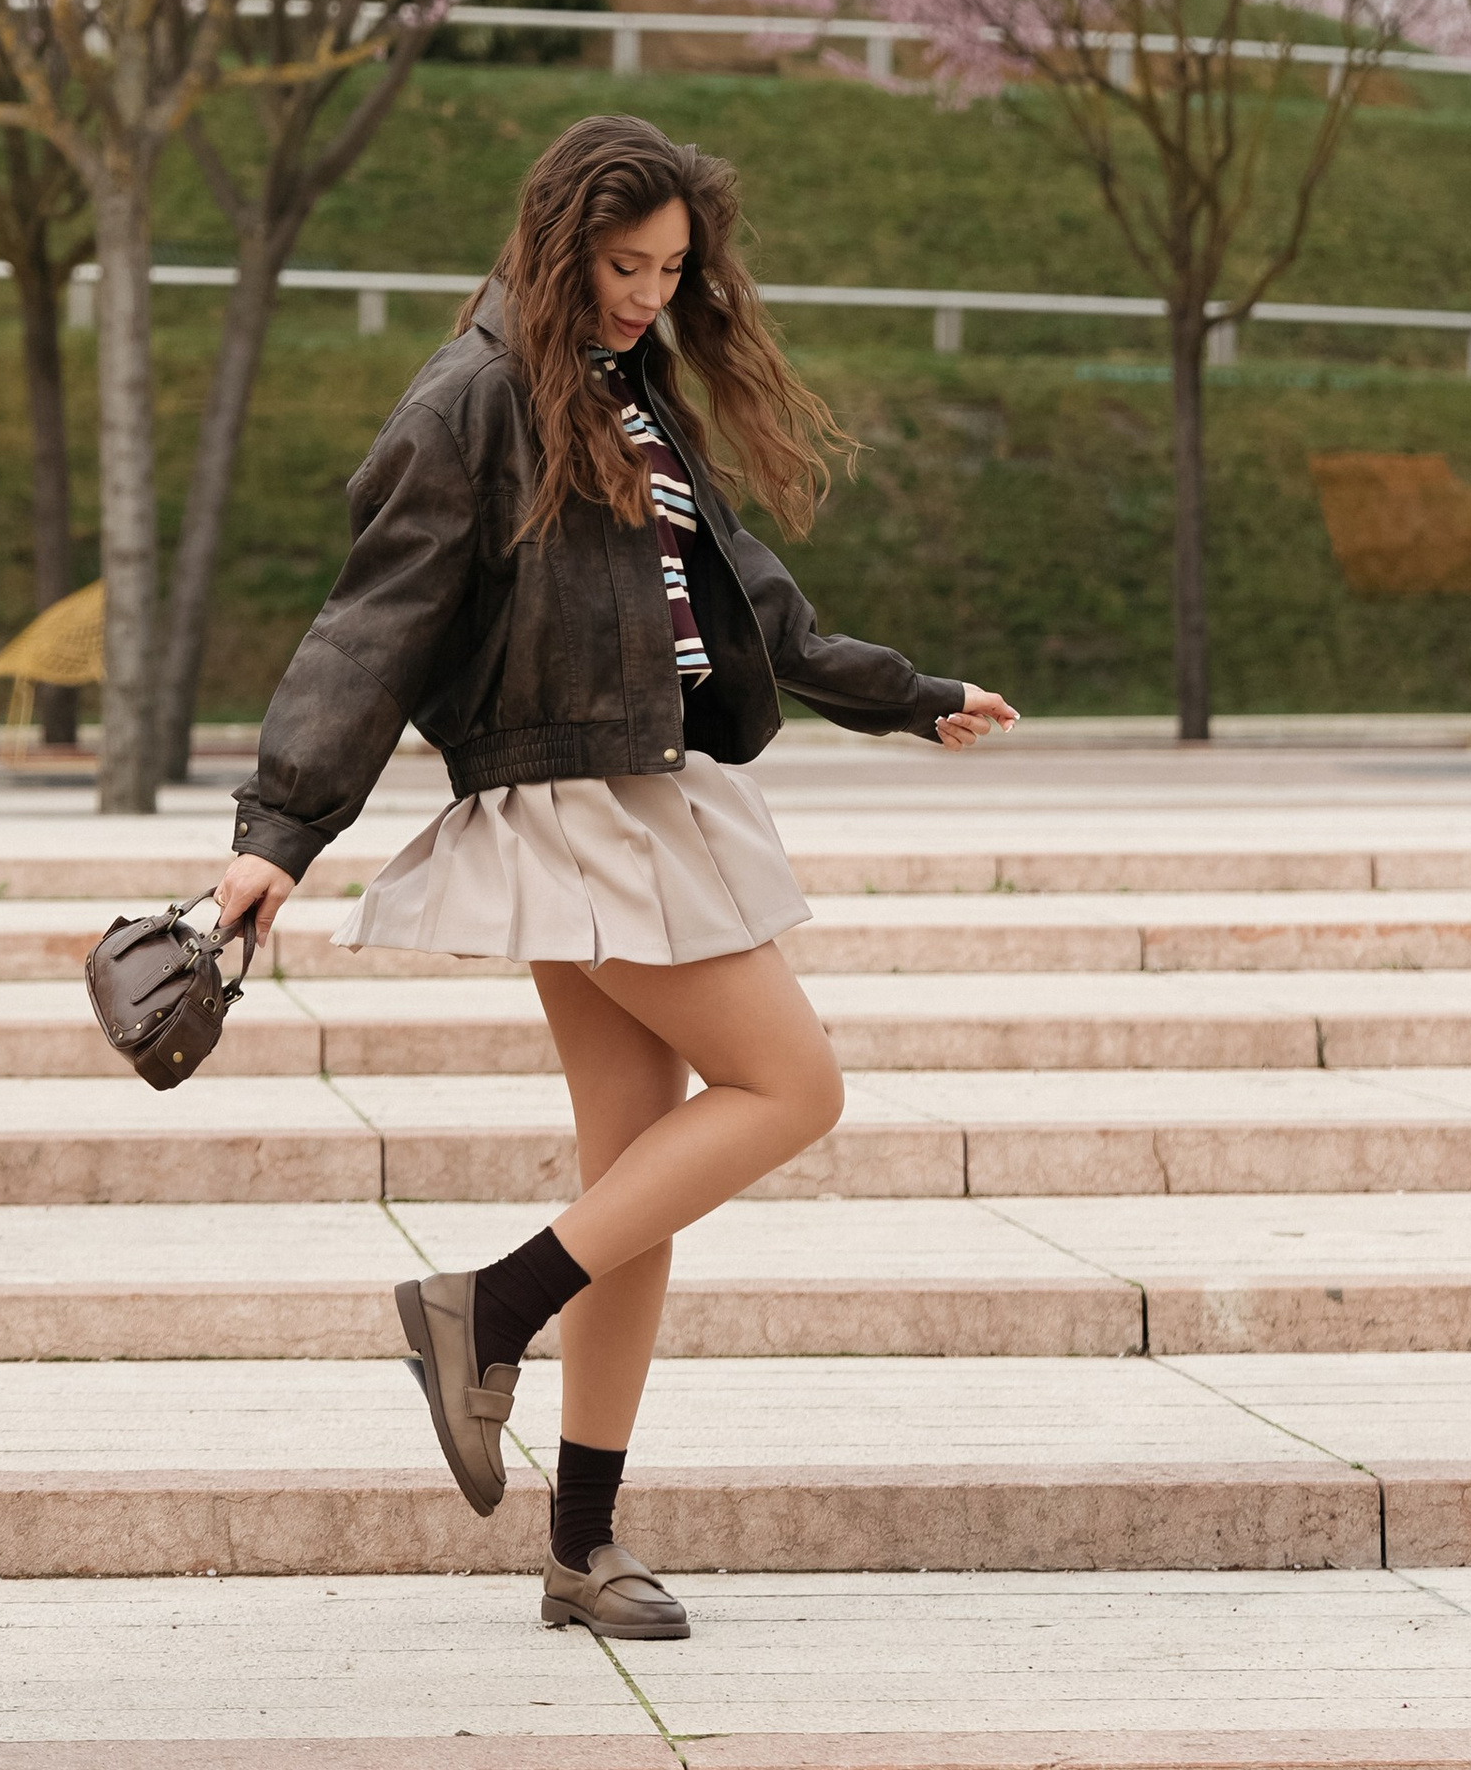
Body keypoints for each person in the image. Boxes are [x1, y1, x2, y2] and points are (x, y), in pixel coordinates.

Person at [217, 109, 1017, 1643]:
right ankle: (483, 1309)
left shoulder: (628, 392)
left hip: (654, 790)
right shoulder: (470, 398)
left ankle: (582, 1546)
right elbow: (368, 625)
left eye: (669, 269)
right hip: (576, 805)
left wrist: (907, 693)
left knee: (636, 1180)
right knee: (796, 1086)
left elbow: (756, 614)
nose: (650, 293)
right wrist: (274, 834)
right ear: (557, 238)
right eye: (623, 263)